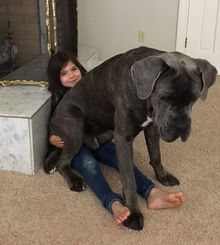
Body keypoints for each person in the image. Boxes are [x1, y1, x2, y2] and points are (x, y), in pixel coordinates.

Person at [46, 51, 184, 225]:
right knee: (90, 166)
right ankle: (113, 203)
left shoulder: (95, 85)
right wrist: (52, 139)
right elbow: (57, 125)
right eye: (64, 73)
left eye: (74, 69)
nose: (72, 75)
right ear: (56, 80)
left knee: (121, 158)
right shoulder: (60, 100)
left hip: (97, 135)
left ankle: (152, 192)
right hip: (77, 140)